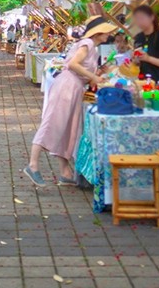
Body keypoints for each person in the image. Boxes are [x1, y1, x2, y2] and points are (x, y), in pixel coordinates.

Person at [24, 16, 116, 187]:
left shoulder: (93, 48)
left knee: (68, 129)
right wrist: (94, 76)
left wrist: (100, 72)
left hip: (74, 86)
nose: (110, 34)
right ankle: (33, 165)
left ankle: (65, 172)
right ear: (99, 32)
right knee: (53, 123)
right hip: (67, 85)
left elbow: (84, 72)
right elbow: (73, 64)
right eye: (107, 31)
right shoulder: (87, 43)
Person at [132, 5, 159, 82]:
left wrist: (148, 59)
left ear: (151, 17)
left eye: (142, 18)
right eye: (137, 19)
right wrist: (136, 60)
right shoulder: (138, 38)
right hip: (144, 81)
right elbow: (138, 64)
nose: (139, 22)